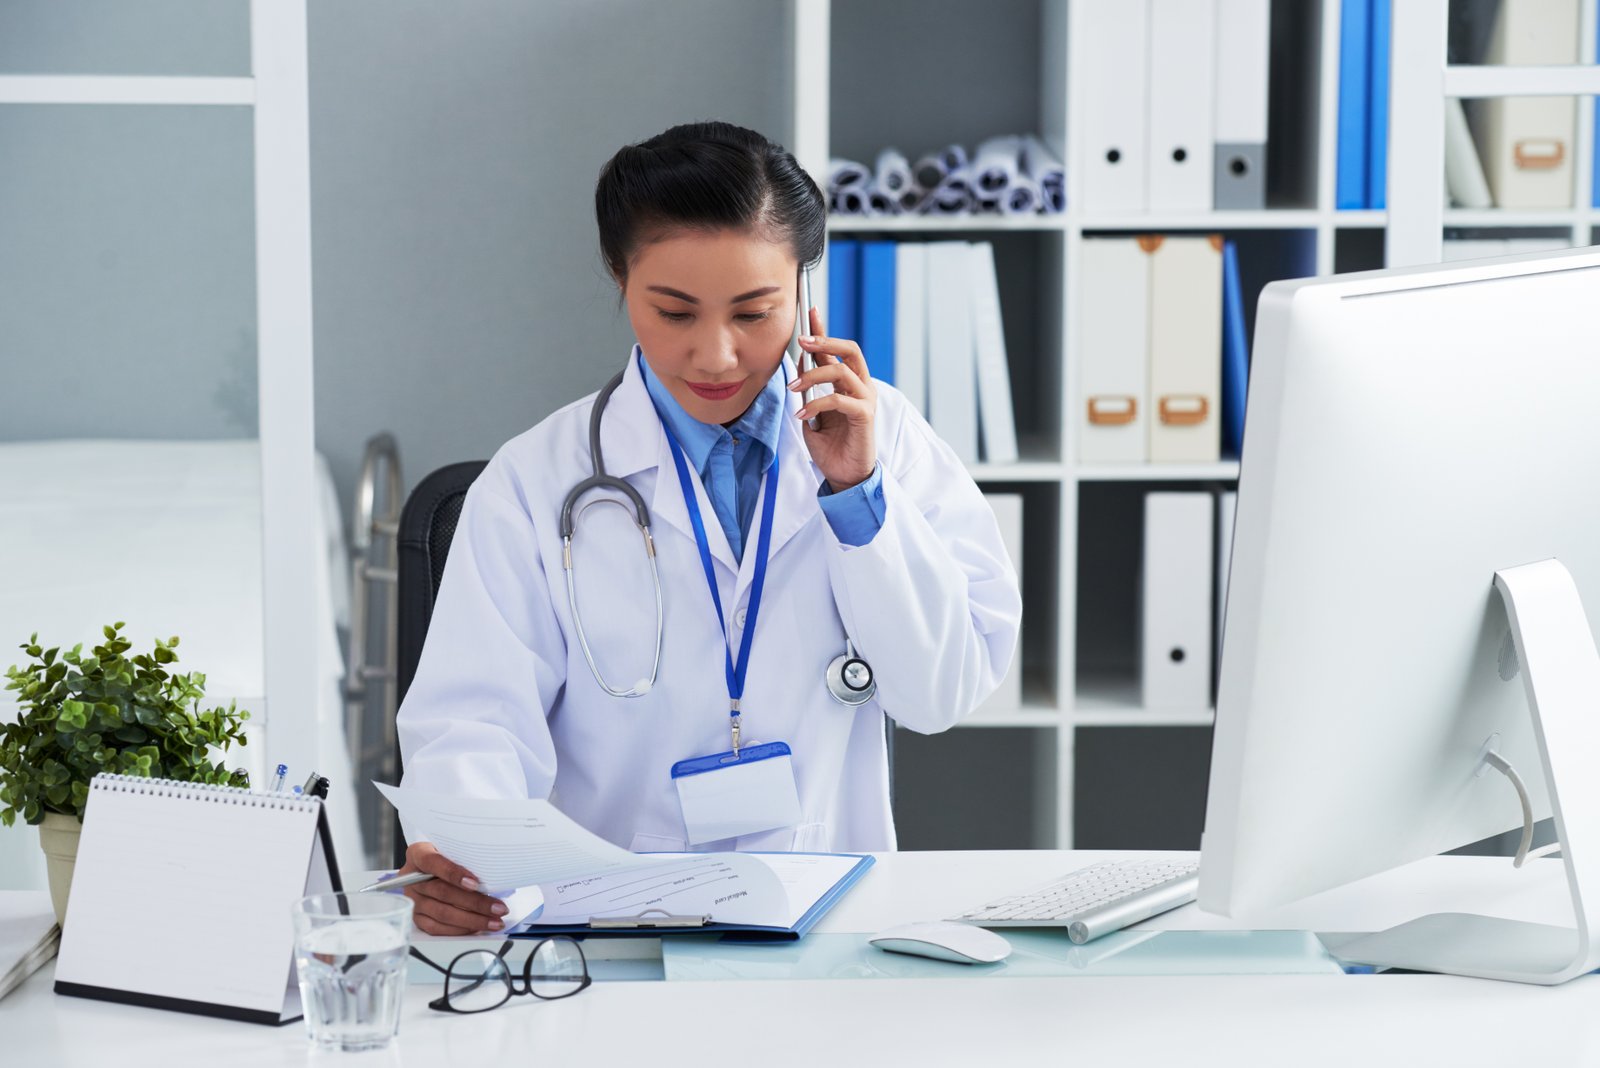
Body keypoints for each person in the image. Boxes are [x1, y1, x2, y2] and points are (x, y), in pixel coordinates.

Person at [394, 121, 1021, 935]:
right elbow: (474, 722)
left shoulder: (883, 438)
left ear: (804, 286)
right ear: (621, 279)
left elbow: (940, 693)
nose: (717, 356)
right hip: (602, 932)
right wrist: (467, 858)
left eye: (756, 312)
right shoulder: (533, 482)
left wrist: (857, 493)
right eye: (675, 311)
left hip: (831, 920)